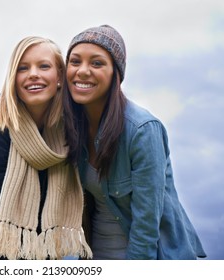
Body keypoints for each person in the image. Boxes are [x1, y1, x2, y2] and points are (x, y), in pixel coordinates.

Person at [63, 24, 206, 259]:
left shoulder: (142, 130)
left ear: (115, 73)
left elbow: (146, 228)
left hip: (148, 256)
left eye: (97, 63)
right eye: (75, 61)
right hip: (95, 254)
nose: (83, 71)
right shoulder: (70, 126)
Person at [0, 36, 92, 260]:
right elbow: (2, 204)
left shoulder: (72, 128)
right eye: (23, 68)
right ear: (13, 78)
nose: (33, 74)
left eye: (44, 66)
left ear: (60, 77)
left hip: (46, 245)